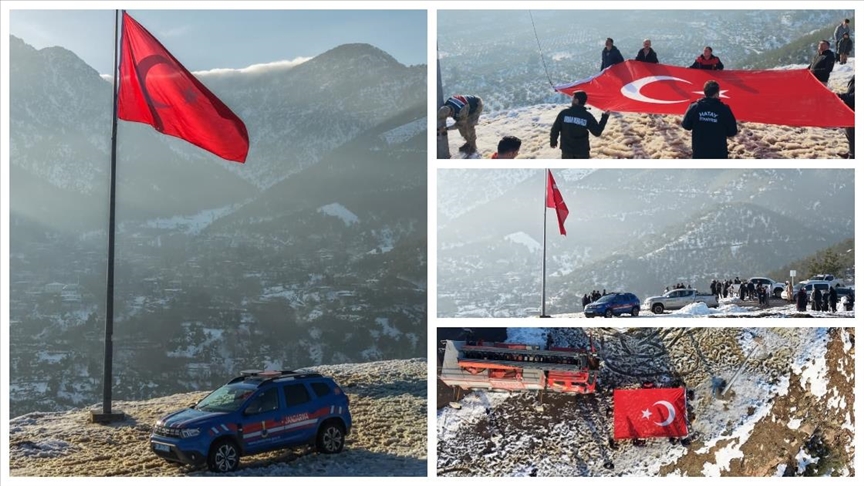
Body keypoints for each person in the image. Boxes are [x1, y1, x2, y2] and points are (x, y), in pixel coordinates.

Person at [681, 80, 738, 159]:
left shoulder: (694, 107)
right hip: (719, 153)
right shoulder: (724, 109)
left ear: (705, 92)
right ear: (717, 93)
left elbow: (686, 126)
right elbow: (732, 132)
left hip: (699, 152)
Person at [550, 91, 610, 159]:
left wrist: (553, 142)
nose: (571, 100)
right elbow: (597, 132)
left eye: (573, 98)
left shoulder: (564, 113)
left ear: (576, 100)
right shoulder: (587, 116)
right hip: (582, 152)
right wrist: (605, 117)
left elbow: (555, 129)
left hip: (567, 151)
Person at [837, 76, 854, 159]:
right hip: (851, 111)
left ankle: (853, 156)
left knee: (852, 135)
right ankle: (851, 152)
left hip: (854, 113)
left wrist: (840, 96)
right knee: (850, 135)